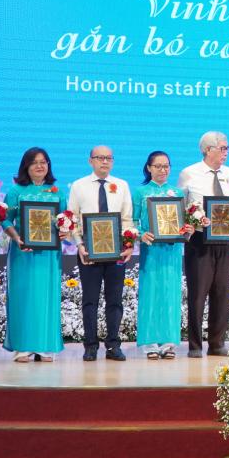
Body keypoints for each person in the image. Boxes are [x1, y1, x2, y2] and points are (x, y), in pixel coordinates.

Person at [177, 131, 229, 357]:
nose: (226, 153)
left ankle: (217, 343)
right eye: (222, 148)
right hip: (199, 241)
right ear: (207, 150)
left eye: (227, 149)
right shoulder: (189, 173)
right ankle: (195, 345)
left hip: (226, 241)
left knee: (222, 292)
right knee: (198, 293)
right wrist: (193, 220)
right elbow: (181, 208)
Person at [67, 145, 134, 361]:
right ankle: (90, 345)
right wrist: (79, 245)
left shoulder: (122, 185)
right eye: (100, 158)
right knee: (90, 300)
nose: (104, 162)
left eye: (108, 158)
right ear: (90, 161)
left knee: (115, 300)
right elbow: (72, 218)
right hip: (88, 253)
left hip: (116, 253)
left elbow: (127, 219)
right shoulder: (79, 186)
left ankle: (114, 345)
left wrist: (129, 245)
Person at [1, 147, 67, 362]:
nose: (40, 166)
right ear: (26, 166)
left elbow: (64, 219)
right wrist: (16, 237)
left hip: (48, 255)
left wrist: (64, 230)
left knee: (46, 297)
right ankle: (23, 346)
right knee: (23, 296)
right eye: (34, 162)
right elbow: (5, 219)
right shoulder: (16, 191)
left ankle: (45, 346)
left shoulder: (56, 191)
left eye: (44, 162)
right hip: (23, 252)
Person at [132, 151, 193, 360]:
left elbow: (184, 222)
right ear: (149, 168)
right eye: (158, 166)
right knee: (150, 293)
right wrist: (140, 234)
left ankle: (169, 342)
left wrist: (188, 230)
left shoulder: (177, 193)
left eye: (166, 166)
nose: (163, 170)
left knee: (170, 293)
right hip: (151, 250)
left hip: (172, 251)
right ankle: (149, 342)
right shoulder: (140, 192)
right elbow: (131, 222)